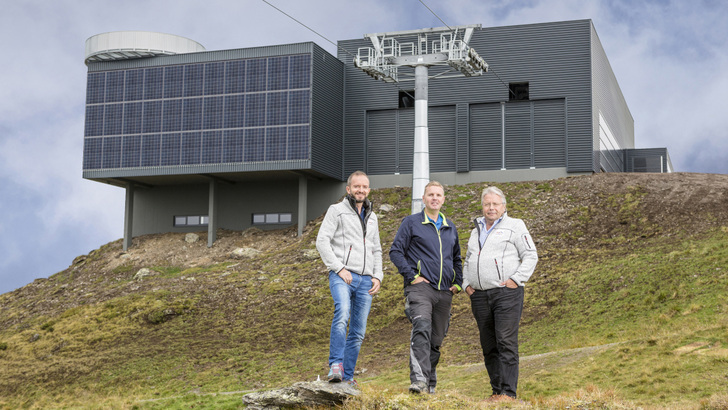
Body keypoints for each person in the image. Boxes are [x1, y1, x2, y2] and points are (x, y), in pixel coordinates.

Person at [462, 186, 538, 401]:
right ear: (482, 206)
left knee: (505, 341)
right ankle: (497, 392)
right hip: (479, 295)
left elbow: (531, 255)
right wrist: (467, 284)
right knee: (489, 344)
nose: (491, 208)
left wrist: (516, 279)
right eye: (487, 204)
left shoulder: (515, 226)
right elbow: (467, 260)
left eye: (495, 204)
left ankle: (508, 392)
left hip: (506, 294)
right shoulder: (475, 230)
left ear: (504, 206)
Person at [389, 181, 463, 394]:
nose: (434, 198)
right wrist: (411, 276)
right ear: (423, 199)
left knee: (436, 340)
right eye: (430, 194)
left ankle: (429, 384)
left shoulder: (450, 227)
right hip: (420, 288)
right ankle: (419, 381)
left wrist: (457, 283)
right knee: (421, 328)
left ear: (443, 199)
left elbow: (457, 258)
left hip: (445, 292)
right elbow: (396, 251)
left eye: (438, 195)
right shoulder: (411, 223)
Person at [316, 170, 383, 387]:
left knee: (358, 331)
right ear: (348, 189)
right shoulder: (336, 211)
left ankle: (347, 377)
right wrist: (339, 268)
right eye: (357, 186)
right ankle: (335, 365)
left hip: (366, 281)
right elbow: (322, 241)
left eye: (364, 187)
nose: (360, 190)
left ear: (368, 190)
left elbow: (377, 250)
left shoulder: (372, 217)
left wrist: (378, 276)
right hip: (342, 276)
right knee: (342, 313)